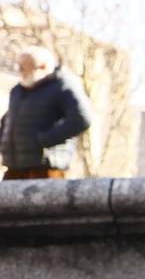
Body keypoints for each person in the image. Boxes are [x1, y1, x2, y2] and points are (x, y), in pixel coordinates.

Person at [1, 47, 93, 180]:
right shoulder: (18, 91)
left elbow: (81, 118)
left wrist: (45, 140)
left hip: (46, 167)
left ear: (42, 66)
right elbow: (8, 121)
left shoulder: (63, 85)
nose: (20, 71)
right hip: (14, 167)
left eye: (24, 67)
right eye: (19, 66)